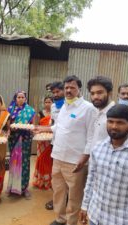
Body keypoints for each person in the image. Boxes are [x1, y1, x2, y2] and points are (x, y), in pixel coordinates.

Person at [80, 104, 128, 225]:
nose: (114, 126)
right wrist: (85, 206)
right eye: (110, 121)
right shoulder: (97, 149)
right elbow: (91, 180)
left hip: (122, 220)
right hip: (95, 216)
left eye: (120, 123)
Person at [35, 75, 96, 225]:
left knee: (74, 195)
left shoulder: (88, 108)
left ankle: (71, 222)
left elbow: (91, 136)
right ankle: (60, 219)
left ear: (79, 89)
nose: (68, 90)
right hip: (58, 157)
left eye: (72, 87)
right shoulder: (64, 107)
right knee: (58, 192)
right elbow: (60, 127)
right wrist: (44, 128)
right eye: (66, 87)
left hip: (75, 160)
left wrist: (84, 158)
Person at [7, 91, 35, 199]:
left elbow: (32, 124)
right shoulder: (10, 109)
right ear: (15, 98)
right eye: (18, 97)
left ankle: (24, 188)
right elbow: (7, 124)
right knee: (14, 162)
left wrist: (34, 130)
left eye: (22, 97)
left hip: (25, 138)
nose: (20, 99)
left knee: (25, 162)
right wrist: (10, 128)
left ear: (25, 99)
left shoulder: (30, 110)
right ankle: (12, 187)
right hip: (14, 138)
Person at [45, 81, 65, 210]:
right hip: (55, 143)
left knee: (69, 175)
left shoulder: (70, 106)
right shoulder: (53, 107)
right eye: (54, 92)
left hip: (69, 145)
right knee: (56, 174)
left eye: (58, 91)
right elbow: (53, 123)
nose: (56, 94)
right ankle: (57, 199)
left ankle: (67, 199)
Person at [87, 76, 115, 146]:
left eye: (99, 93)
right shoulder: (94, 112)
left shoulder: (117, 115)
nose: (95, 97)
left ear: (110, 93)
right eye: (92, 93)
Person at [33, 96, 53, 190]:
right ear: (44, 103)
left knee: (49, 160)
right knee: (41, 159)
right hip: (41, 140)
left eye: (50, 102)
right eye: (46, 102)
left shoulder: (55, 114)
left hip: (51, 140)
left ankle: (49, 181)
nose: (48, 104)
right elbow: (35, 125)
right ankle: (41, 180)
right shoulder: (39, 113)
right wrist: (36, 133)